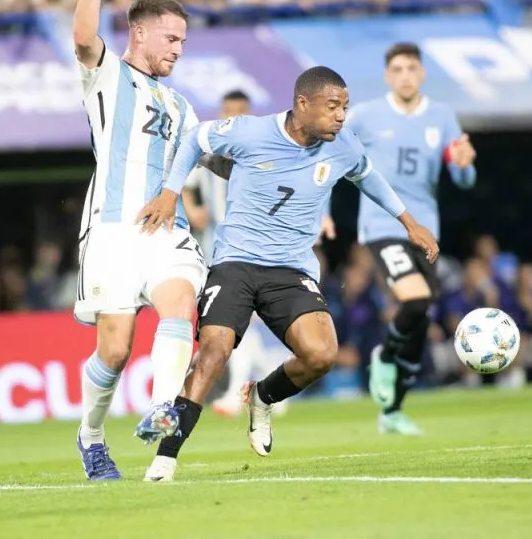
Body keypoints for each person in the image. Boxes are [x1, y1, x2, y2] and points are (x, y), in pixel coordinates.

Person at [135, 65, 439, 482]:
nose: (341, 116)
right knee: (213, 354)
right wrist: (170, 195)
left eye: (345, 108)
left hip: (291, 268)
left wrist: (409, 222)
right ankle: (165, 459)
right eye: (333, 107)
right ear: (302, 104)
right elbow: (193, 139)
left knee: (321, 355)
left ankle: (262, 396)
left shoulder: (342, 145)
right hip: (236, 263)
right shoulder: (249, 132)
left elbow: (368, 176)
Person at [70, 0, 228, 480]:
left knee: (181, 304)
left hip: (168, 231)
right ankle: (90, 436)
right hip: (112, 230)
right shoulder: (107, 77)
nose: (179, 49)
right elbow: (85, 37)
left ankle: (163, 408)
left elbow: (212, 160)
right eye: (171, 38)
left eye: (184, 41)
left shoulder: (184, 107)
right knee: (114, 351)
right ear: (139, 33)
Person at [346, 42, 476, 434]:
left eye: (411, 69)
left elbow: (463, 179)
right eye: (397, 69)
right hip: (383, 226)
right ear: (388, 75)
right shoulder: (365, 116)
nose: (405, 76)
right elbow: (329, 156)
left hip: (426, 231)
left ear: (421, 74)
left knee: (419, 318)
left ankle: (392, 411)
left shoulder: (442, 116)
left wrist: (466, 164)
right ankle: (384, 355)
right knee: (415, 298)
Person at [181, 90, 291, 418]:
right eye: (228, 111)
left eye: (240, 112)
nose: (233, 118)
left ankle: (238, 393)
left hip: (255, 245)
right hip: (217, 244)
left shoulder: (262, 150)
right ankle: (268, 391)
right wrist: (192, 210)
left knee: (239, 322)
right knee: (239, 324)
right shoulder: (213, 145)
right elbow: (188, 181)